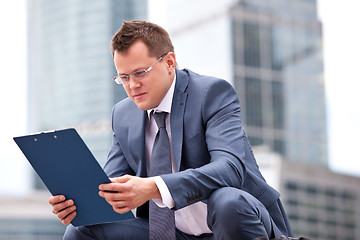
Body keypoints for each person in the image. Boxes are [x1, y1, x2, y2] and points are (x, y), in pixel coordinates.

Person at [49, 20, 293, 240]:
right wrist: (79, 203)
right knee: (81, 230)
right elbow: (111, 186)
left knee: (227, 201)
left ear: (169, 63)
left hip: (233, 224)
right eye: (123, 77)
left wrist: (152, 187)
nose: (133, 86)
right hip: (169, 234)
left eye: (140, 73)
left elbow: (230, 168)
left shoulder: (212, 93)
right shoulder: (123, 115)